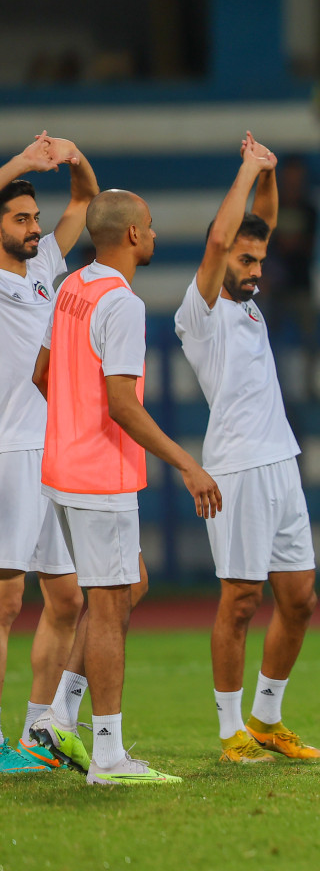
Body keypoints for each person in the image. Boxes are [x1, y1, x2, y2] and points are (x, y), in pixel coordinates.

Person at [28, 188, 222, 785]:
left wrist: (69, 425)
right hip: (100, 476)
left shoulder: (71, 287)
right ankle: (108, 755)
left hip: (62, 471)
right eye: (152, 225)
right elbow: (121, 404)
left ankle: (58, 714)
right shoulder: (122, 303)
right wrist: (187, 464)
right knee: (110, 607)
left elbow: (42, 373)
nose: (156, 234)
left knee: (128, 585)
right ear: (133, 235)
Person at [174, 133, 320, 766]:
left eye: (260, 259)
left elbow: (264, 222)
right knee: (240, 602)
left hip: (281, 463)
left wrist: (269, 173)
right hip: (235, 470)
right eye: (247, 259)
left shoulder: (250, 304)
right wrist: (245, 168)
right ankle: (230, 730)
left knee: (300, 599)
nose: (256, 268)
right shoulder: (200, 309)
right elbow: (218, 240)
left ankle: (267, 717)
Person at [0, 135, 95, 773]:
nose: (35, 228)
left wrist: (73, 158)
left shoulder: (42, 268)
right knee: (5, 602)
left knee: (66, 600)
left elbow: (87, 198)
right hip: (7, 449)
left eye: (35, 217)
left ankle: (37, 734)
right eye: (20, 218)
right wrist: (21, 165)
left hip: (51, 452)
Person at [265, 154, 320, 403]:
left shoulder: (310, 209)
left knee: (310, 340)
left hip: (302, 285)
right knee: (268, 341)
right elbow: (265, 244)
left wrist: (292, 243)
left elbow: (313, 244)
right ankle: (271, 389)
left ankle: (311, 386)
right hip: (276, 287)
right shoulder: (272, 207)